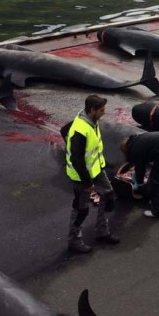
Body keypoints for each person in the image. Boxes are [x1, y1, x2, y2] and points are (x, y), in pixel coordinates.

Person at [64, 95, 119, 253]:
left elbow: (63, 131)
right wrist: (87, 183)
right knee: (81, 209)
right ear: (92, 110)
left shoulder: (92, 121)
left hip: (96, 169)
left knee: (108, 194)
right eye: (101, 110)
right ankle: (73, 241)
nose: (104, 112)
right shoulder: (80, 129)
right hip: (81, 176)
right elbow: (77, 159)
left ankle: (102, 231)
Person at [120, 131, 159, 219]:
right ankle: (158, 201)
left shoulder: (134, 150)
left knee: (156, 181)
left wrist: (139, 184)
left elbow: (140, 169)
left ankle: (157, 212)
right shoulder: (138, 139)